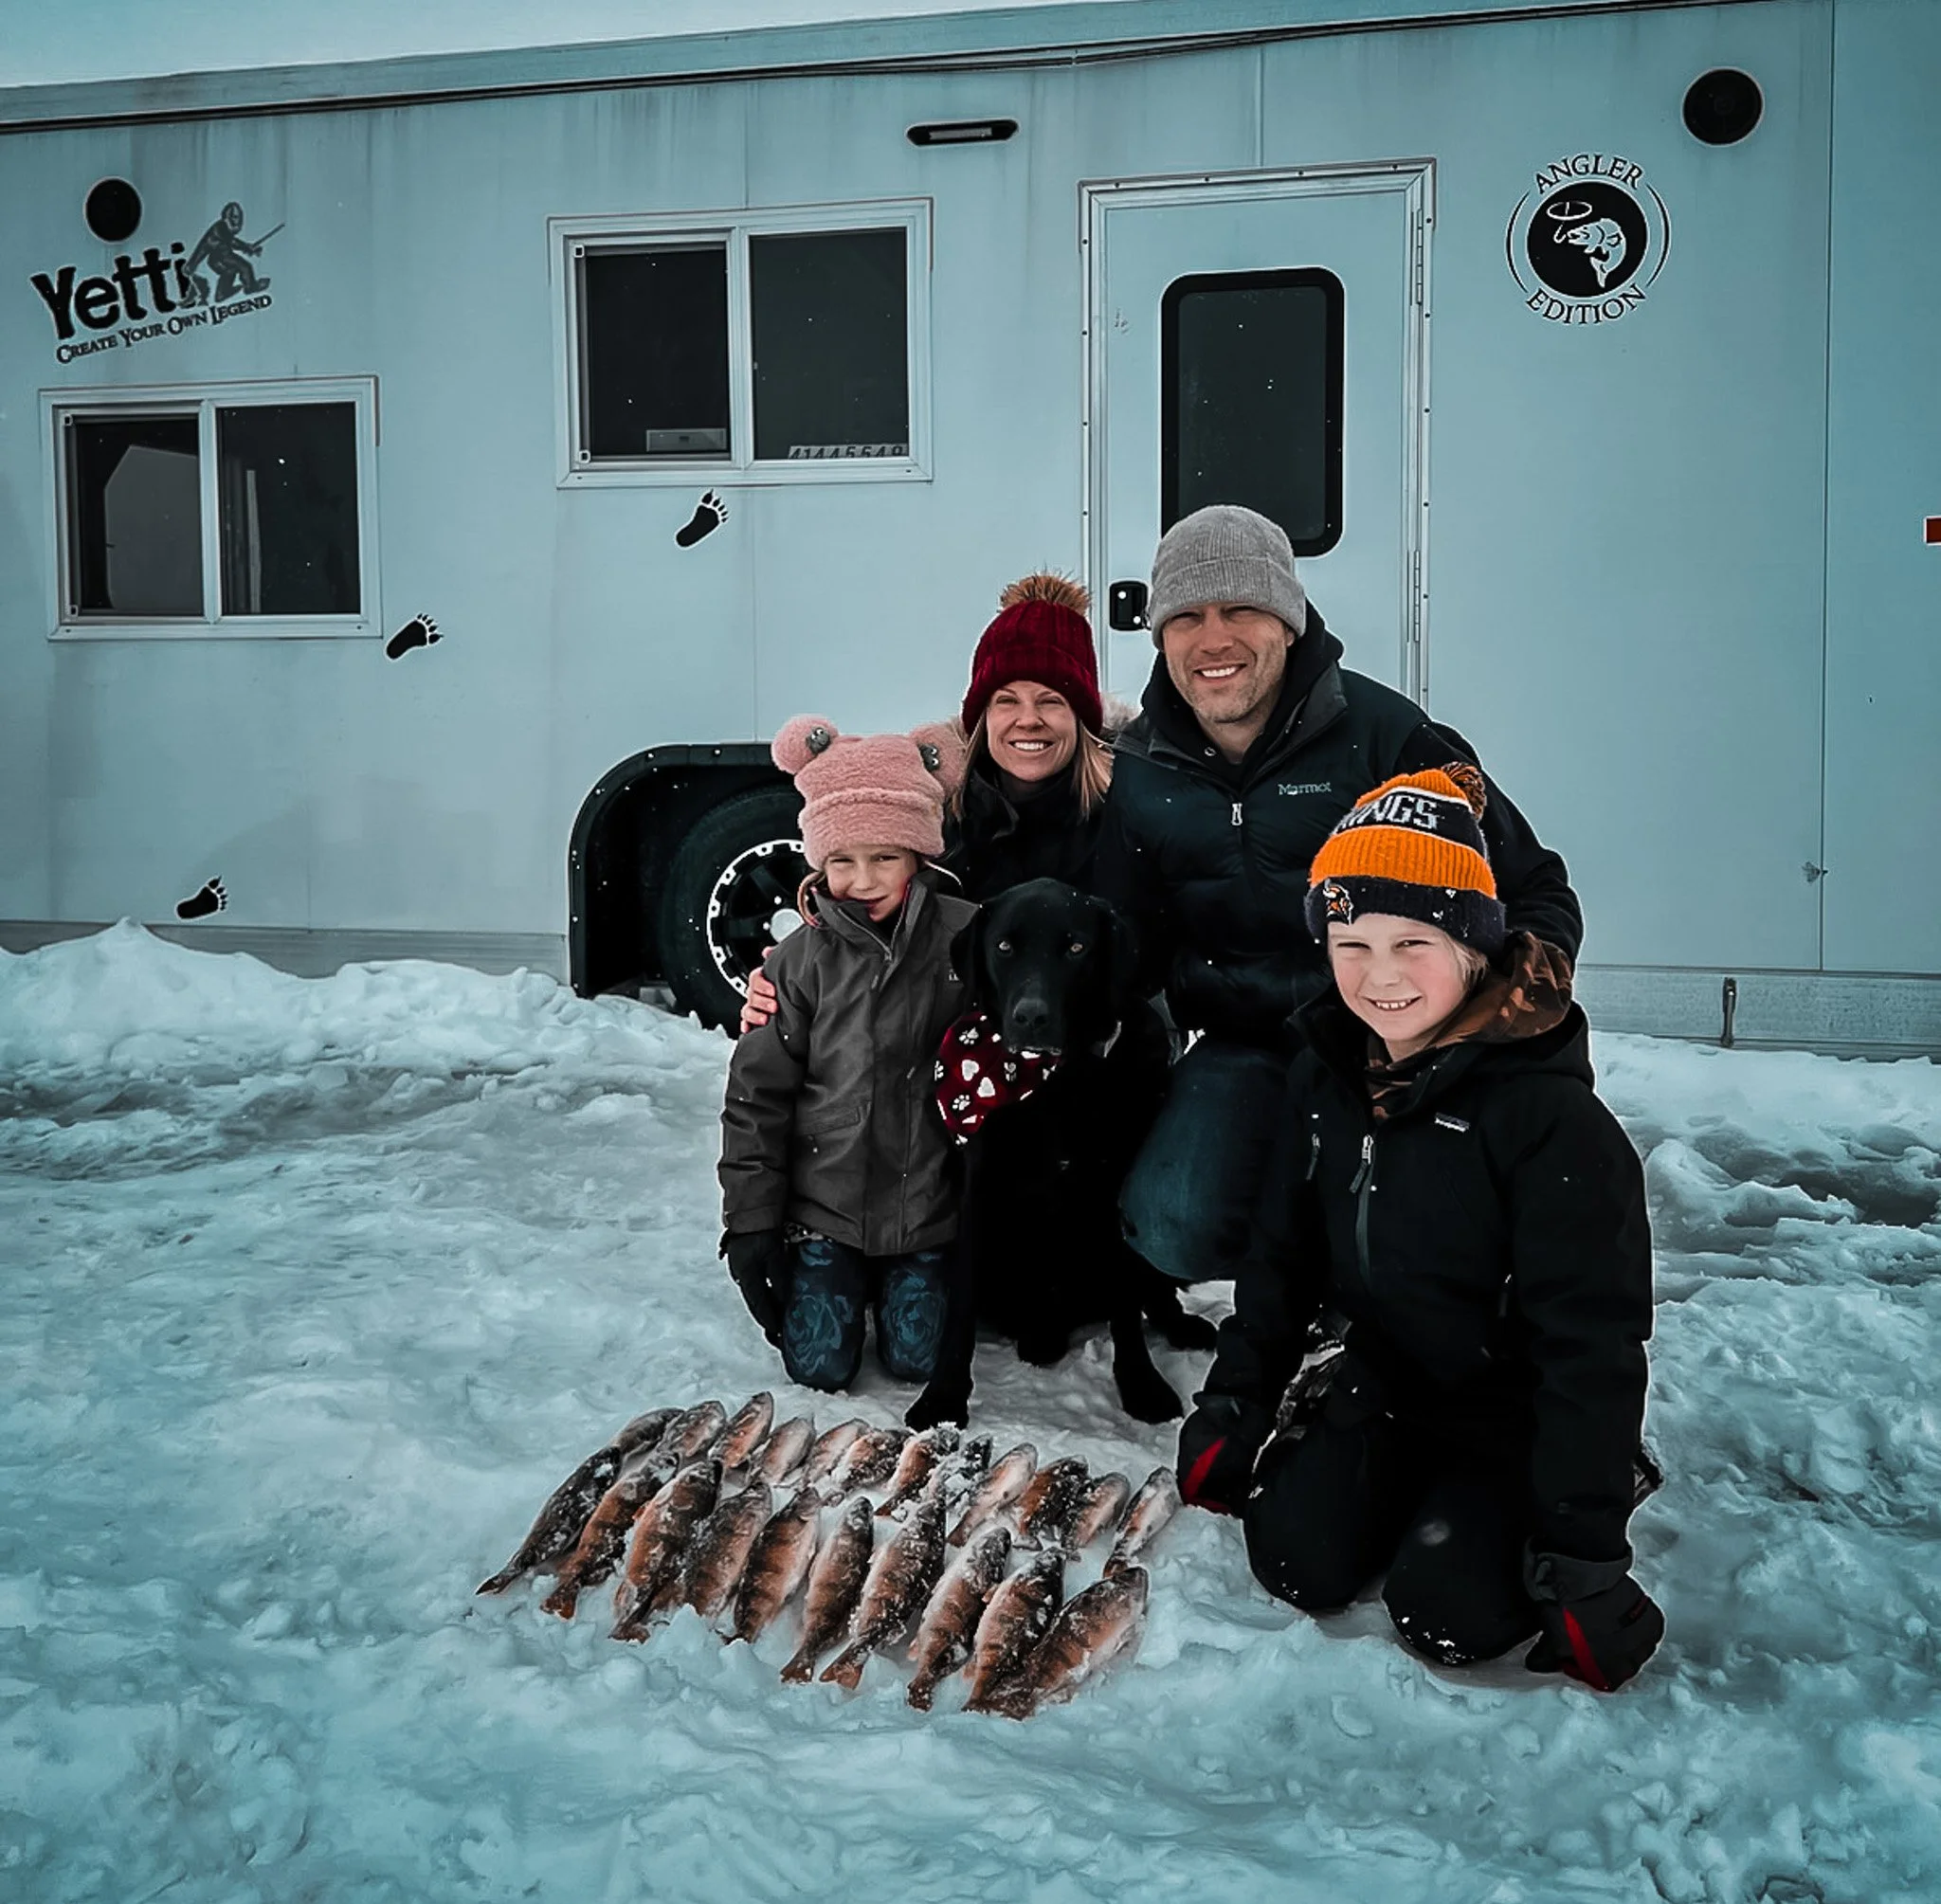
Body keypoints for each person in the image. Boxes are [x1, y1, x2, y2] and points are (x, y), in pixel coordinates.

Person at [1174, 766, 1662, 1691]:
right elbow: (1279, 1258)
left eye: (1414, 940)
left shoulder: (1551, 1123)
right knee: (1293, 1561)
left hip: (1511, 1407)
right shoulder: (1325, 1073)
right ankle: (1390, 1479)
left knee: (1446, 1614)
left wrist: (1583, 1554)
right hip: (1383, 1374)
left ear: (1476, 944)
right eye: (1349, 941)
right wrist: (1233, 1406)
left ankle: (1490, 1510)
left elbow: (1590, 1348)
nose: (1380, 974)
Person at [1096, 503, 1585, 1287]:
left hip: (1386, 1040)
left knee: (1407, 1240)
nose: (1213, 639)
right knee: (1172, 1227)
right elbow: (1124, 927)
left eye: (1241, 610)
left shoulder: (1388, 737)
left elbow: (1533, 885)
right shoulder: (1141, 765)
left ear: (1288, 622)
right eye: (1186, 617)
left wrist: (1499, 1025)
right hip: (1242, 1038)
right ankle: (1295, 1260)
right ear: (1159, 635)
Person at [717, 716, 976, 1394]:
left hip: (926, 1209)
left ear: (919, 855)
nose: (862, 879)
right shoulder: (800, 963)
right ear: (818, 862)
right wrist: (750, 1223)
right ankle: (835, 1271)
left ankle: (900, 1279)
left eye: (885, 857)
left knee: (919, 1358)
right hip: (825, 1210)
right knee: (819, 1366)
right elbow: (756, 1098)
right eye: (842, 860)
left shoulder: (967, 940)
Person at [739, 572, 1115, 1035]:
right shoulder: (929, 810)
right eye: (1006, 700)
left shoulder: (1126, 810)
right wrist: (788, 975)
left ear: (1082, 716)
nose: (1028, 720)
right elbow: (865, 910)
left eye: (1051, 700)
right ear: (982, 715)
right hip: (942, 1048)